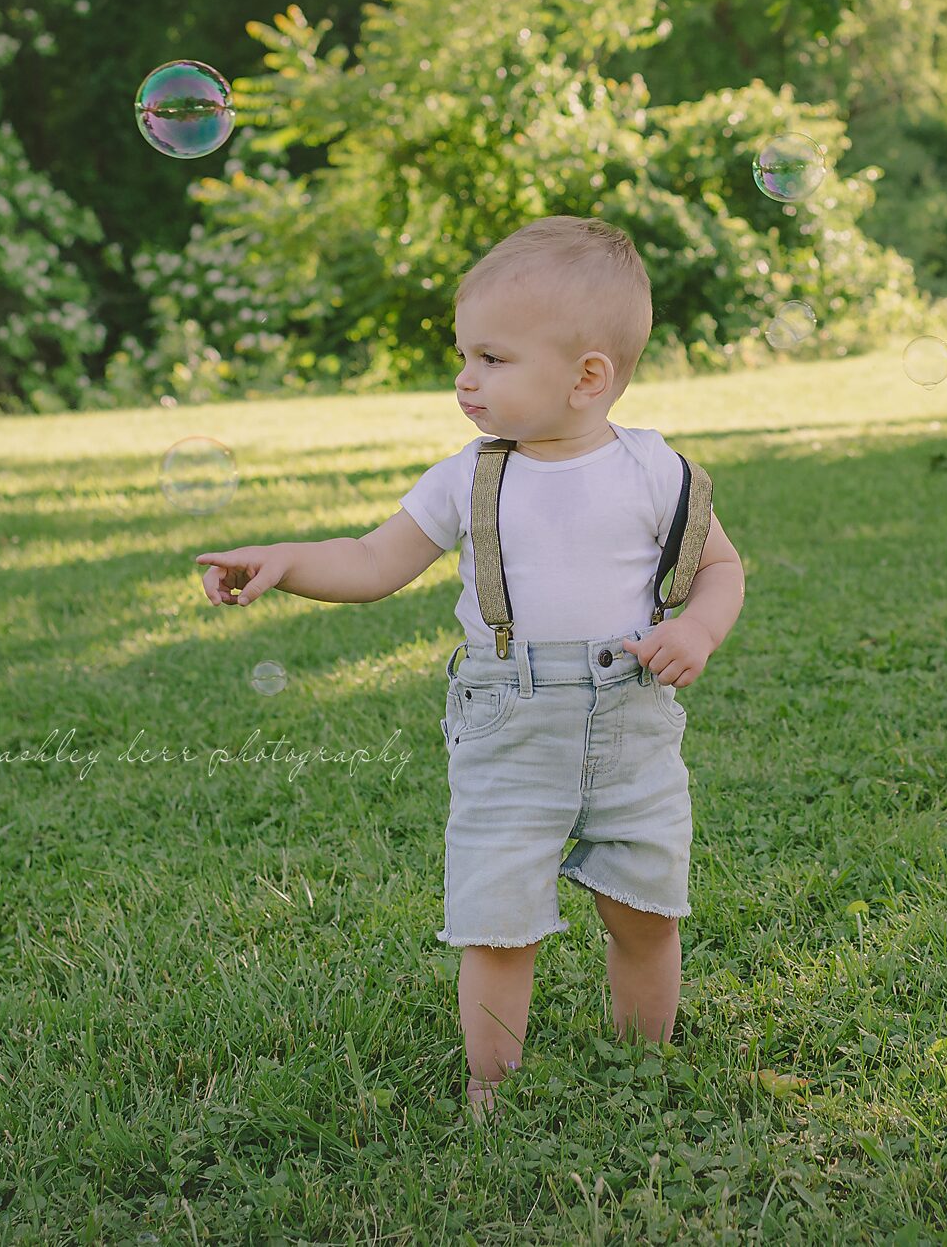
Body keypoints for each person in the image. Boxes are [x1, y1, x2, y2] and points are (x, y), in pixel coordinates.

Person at [194, 215, 747, 1123]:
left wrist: (701, 629)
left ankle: (644, 1063)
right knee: (499, 919)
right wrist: (289, 559)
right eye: (464, 355)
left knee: (645, 909)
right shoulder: (468, 477)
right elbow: (373, 561)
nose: (464, 378)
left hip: (633, 720)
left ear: (587, 377)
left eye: (491, 358)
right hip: (508, 722)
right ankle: (492, 1085)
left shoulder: (656, 470)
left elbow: (722, 566)